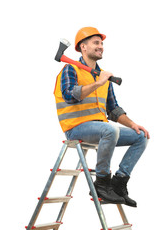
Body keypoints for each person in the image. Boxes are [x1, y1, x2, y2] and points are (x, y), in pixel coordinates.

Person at [54, 27, 150, 207]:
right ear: (83, 47)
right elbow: (69, 95)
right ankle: (102, 183)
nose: (101, 47)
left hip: (102, 129)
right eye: (96, 43)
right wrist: (98, 82)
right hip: (76, 128)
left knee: (141, 136)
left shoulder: (103, 76)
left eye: (102, 43)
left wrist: (133, 124)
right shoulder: (71, 69)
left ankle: (119, 183)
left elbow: (113, 109)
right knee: (109, 130)